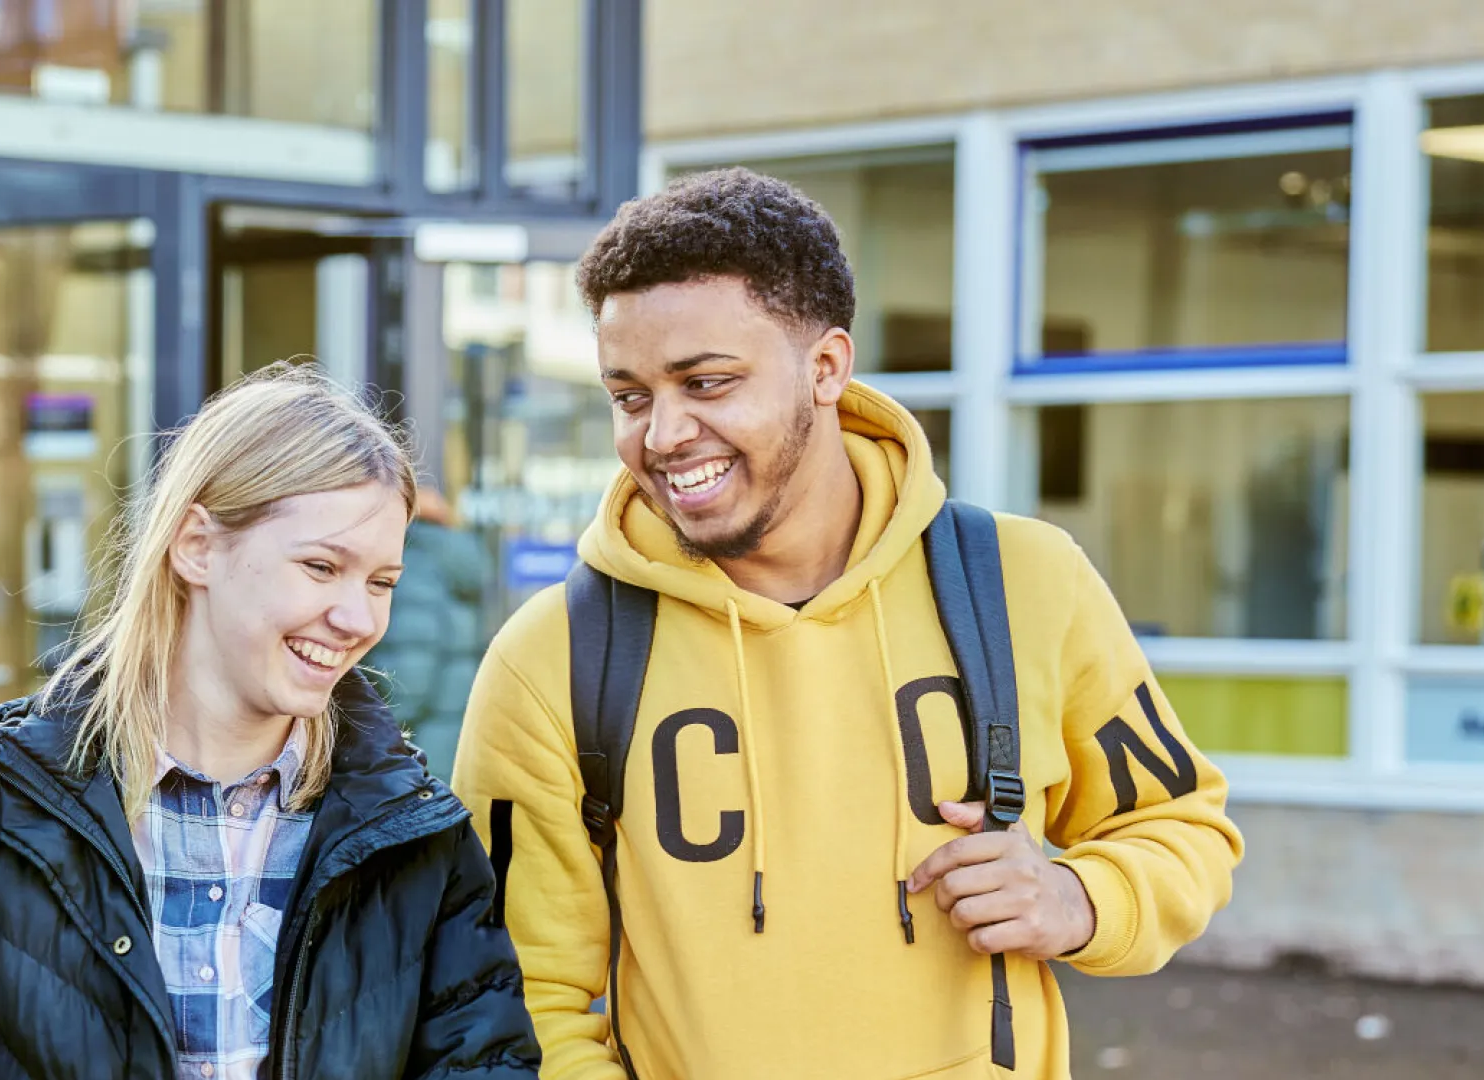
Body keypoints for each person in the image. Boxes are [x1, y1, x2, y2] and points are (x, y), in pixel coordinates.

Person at [451, 168, 1244, 1079]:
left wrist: (1080, 895)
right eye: (629, 396)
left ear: (826, 368)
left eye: (706, 383)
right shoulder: (552, 656)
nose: (662, 435)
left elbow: (1183, 826)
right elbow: (511, 994)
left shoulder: (1024, 583)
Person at [0, 366, 540, 1080]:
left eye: (382, 581)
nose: (356, 617)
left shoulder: (415, 840)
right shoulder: (1, 816)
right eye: (321, 567)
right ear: (197, 545)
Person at [367, 485, 491, 776]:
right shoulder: (455, 565)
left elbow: (412, 663)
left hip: (416, 739)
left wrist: (381, 725)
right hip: (449, 729)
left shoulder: (414, 562)